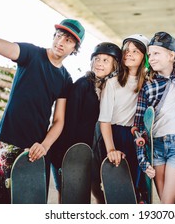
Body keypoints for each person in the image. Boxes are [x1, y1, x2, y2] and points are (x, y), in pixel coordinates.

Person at [0, 0, 85, 204]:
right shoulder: (30, 54)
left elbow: (59, 120)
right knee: (8, 200)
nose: (61, 42)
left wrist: (45, 145)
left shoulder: (65, 79)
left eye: (68, 40)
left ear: (74, 48)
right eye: (59, 35)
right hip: (10, 139)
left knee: (34, 202)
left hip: (36, 146)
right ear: (54, 36)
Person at [48, 42, 122, 204]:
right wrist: (68, 158)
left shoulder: (109, 88)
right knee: (69, 197)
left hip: (91, 151)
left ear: (115, 66)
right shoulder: (83, 85)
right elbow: (70, 122)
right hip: (69, 152)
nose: (99, 63)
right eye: (97, 59)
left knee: (97, 192)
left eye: (105, 60)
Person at [133, 32, 175, 204]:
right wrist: (143, 160)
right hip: (156, 146)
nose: (151, 58)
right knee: (166, 203)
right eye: (150, 54)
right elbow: (138, 127)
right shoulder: (148, 85)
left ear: (172, 55)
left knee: (167, 203)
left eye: (156, 53)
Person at [98, 34, 149, 201]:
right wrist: (111, 149)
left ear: (144, 57)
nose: (129, 53)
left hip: (138, 137)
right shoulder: (112, 83)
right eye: (126, 50)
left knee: (140, 190)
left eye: (135, 51)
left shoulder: (148, 81)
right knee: (119, 187)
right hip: (115, 134)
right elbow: (104, 120)